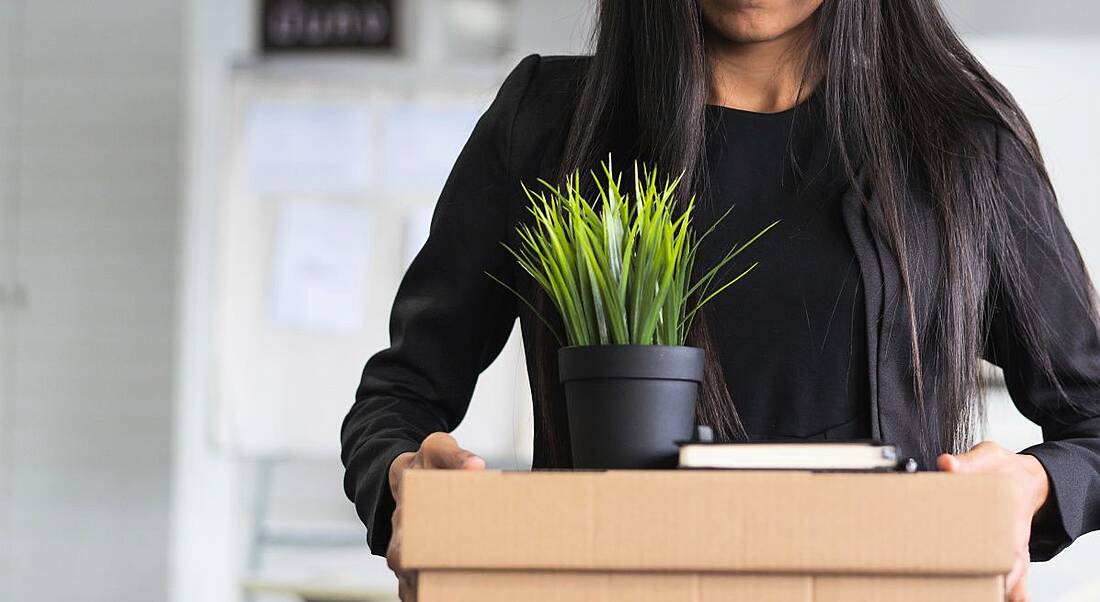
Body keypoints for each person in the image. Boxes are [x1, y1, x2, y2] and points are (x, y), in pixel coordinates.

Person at [341, 1, 1100, 600]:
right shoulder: (548, 125)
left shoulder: (958, 146)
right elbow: (399, 394)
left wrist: (1032, 484)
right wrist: (405, 477)